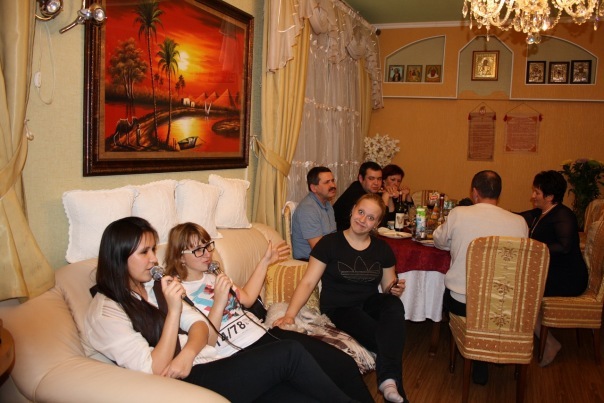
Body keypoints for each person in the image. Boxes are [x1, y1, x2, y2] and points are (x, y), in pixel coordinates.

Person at [85, 216, 357, 403]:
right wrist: (175, 313)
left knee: (304, 395)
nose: (154, 259)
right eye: (144, 252)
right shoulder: (105, 312)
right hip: (196, 377)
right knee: (290, 352)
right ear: (119, 258)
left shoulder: (154, 284)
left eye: (153, 250)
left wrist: (187, 353)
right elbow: (154, 369)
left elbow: (200, 326)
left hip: (208, 359)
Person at [164, 222, 374, 402]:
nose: (207, 254)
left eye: (207, 246)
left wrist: (265, 261)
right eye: (198, 250)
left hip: (265, 335)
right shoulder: (176, 292)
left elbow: (247, 298)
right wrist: (219, 302)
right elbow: (206, 341)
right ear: (180, 257)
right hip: (237, 353)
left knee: (342, 364)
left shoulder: (213, 274)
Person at [273, 194, 409, 403]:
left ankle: (388, 381)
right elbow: (308, 282)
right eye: (361, 212)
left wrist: (395, 289)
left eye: (371, 218)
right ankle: (391, 384)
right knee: (386, 337)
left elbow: (387, 287)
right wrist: (290, 315)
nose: (363, 220)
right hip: (340, 308)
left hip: (369, 301)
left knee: (393, 304)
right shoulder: (329, 243)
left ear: (377, 223)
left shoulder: (382, 249)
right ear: (353, 209)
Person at [432, 170, 528, 385]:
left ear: (474, 192)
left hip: (465, 304)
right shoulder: (520, 222)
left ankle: (476, 354)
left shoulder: (459, 213)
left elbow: (439, 241)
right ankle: (494, 348)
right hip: (504, 304)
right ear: (499, 194)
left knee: (450, 295)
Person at [518, 170, 589, 367]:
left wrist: (534, 248)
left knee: (521, 293)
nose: (533, 196)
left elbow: (564, 247)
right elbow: (516, 217)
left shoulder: (564, 216)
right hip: (552, 273)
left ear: (549, 197)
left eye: (537, 192)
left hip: (568, 278)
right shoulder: (541, 213)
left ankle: (550, 343)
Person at [292, 166, 338, 260]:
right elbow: (319, 249)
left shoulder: (327, 204)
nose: (333, 185)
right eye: (327, 182)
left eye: (333, 180)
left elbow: (333, 236)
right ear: (313, 188)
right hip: (309, 261)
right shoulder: (308, 209)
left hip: (325, 256)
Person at [333, 161, 382, 231]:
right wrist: (385, 198)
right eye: (371, 178)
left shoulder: (368, 191)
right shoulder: (356, 194)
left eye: (379, 179)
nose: (376, 183)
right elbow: (379, 225)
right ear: (361, 178)